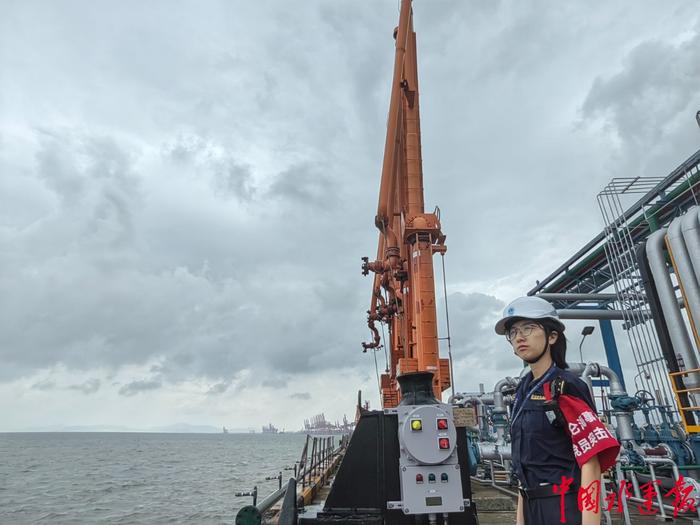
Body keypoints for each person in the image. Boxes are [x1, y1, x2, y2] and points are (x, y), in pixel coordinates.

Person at [495, 296, 618, 525]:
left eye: (529, 328)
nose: (520, 337)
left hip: (562, 506)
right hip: (532, 505)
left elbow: (590, 462)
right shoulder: (523, 389)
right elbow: (525, 467)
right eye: (513, 332)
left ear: (552, 336)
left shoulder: (565, 386)